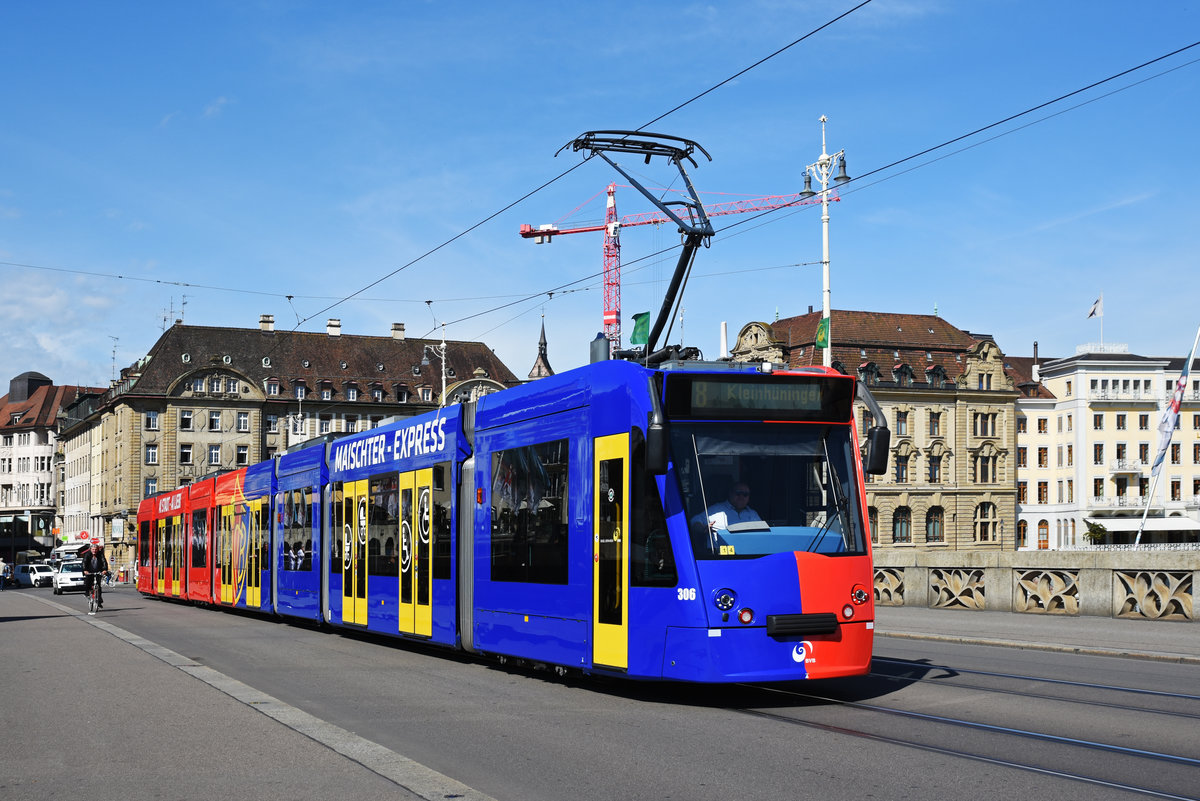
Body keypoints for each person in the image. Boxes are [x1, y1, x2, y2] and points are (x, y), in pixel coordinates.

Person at [82, 543, 109, 613]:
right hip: (89, 571)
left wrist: (105, 570)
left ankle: (99, 601)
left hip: (98, 571)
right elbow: (84, 562)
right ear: (90, 549)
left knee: (98, 586)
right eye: (93, 549)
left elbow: (104, 562)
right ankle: (87, 594)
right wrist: (85, 570)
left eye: (96, 549)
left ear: (98, 550)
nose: (94, 551)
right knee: (88, 583)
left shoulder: (100, 554)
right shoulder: (87, 555)